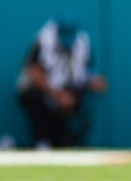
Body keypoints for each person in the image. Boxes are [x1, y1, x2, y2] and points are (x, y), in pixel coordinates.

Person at [17, 17, 107, 149]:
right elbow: (34, 73)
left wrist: (94, 80)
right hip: (44, 91)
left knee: (80, 96)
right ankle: (43, 141)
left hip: (66, 91)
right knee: (32, 95)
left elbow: (87, 71)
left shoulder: (83, 42)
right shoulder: (42, 39)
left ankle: (69, 139)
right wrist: (57, 94)